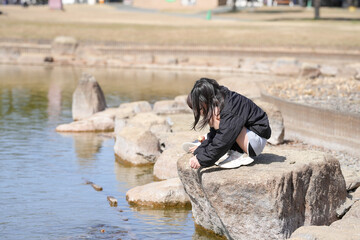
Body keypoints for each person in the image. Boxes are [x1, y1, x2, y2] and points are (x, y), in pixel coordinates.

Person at [185, 78, 271, 169]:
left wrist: (201, 160)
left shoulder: (230, 107)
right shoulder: (221, 100)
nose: (199, 111)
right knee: (223, 125)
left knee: (228, 128)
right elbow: (216, 135)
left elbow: (224, 138)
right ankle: (235, 151)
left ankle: (239, 155)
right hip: (248, 137)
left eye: (199, 107)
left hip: (255, 143)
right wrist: (201, 150)